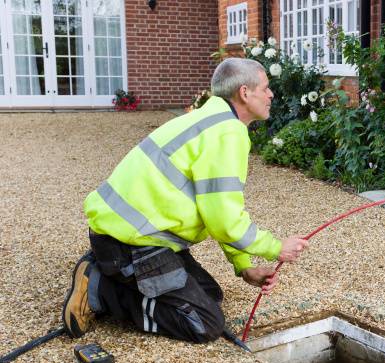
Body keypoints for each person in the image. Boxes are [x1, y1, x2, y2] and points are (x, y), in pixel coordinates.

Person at [62, 58, 309, 343]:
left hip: (132, 236)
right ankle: (102, 288)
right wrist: (276, 248)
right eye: (265, 88)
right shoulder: (228, 133)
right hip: (130, 244)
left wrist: (243, 265)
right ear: (244, 92)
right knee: (203, 323)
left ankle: (107, 269)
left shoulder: (209, 121)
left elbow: (214, 210)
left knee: (210, 295)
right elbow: (225, 221)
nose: (271, 95)